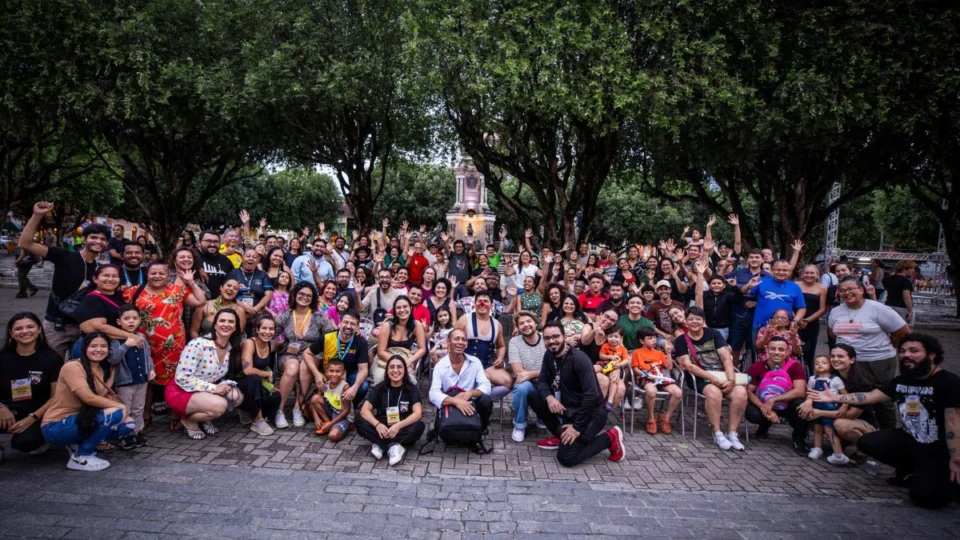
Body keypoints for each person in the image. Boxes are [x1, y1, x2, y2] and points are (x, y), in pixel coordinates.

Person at [810, 334, 960, 509]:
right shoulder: (901, 381)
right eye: (902, 351)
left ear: (932, 355)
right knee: (870, 442)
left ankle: (937, 477)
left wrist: (956, 457)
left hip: (939, 447)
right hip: (910, 439)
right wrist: (836, 397)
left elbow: (954, 424)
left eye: (914, 351)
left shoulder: (949, 382)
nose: (906, 355)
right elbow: (870, 396)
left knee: (928, 498)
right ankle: (912, 469)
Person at [527, 321, 625, 466]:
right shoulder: (549, 355)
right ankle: (562, 436)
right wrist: (549, 398)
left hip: (591, 414)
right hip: (570, 410)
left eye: (556, 337)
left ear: (564, 337)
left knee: (566, 458)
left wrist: (577, 427)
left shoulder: (579, 359)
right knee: (534, 396)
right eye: (547, 338)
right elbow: (542, 381)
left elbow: (591, 396)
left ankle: (610, 437)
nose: (552, 341)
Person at [19, 201, 108, 358]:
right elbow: (25, 243)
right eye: (94, 237)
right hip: (56, 325)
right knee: (49, 367)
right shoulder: (65, 256)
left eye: (102, 239)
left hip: (83, 328)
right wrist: (37, 215)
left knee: (79, 370)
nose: (98, 242)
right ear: (84, 239)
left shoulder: (101, 270)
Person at [40, 332, 136, 471]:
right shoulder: (73, 367)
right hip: (56, 426)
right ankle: (81, 456)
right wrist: (119, 406)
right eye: (94, 346)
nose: (99, 349)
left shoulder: (99, 367)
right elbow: (88, 398)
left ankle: (79, 444)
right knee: (114, 413)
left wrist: (110, 380)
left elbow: (97, 395)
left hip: (80, 418)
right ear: (84, 348)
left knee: (129, 424)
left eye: (103, 346)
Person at [828, 276, 911, 430]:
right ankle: (860, 433)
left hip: (878, 361)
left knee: (881, 399)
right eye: (842, 290)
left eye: (851, 289)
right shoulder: (836, 311)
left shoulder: (878, 309)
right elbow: (832, 333)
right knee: (852, 395)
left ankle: (887, 435)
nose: (847, 293)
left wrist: (893, 345)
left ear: (861, 290)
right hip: (849, 363)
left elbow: (903, 332)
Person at [674, 306, 748, 451]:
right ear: (686, 321)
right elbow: (688, 365)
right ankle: (717, 432)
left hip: (723, 374)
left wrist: (731, 380)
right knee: (714, 392)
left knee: (741, 393)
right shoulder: (681, 340)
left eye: (698, 319)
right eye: (691, 319)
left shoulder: (714, 334)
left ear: (703, 321)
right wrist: (711, 378)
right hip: (699, 377)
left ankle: (732, 432)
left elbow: (726, 358)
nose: (694, 322)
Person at [166, 309, 244, 440]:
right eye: (222, 320)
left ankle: (206, 417)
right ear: (215, 325)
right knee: (220, 406)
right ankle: (188, 421)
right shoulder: (198, 344)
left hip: (203, 390)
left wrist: (222, 386)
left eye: (231, 321)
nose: (226, 324)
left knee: (236, 396)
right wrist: (214, 389)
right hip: (181, 391)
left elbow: (216, 376)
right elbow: (182, 378)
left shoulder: (230, 348)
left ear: (235, 327)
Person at [274, 282, 337, 429]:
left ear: (313, 298)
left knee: (305, 365)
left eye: (309, 295)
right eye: (301, 294)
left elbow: (332, 335)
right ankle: (279, 410)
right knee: (292, 367)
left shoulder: (319, 316)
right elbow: (271, 332)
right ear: (295, 295)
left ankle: (297, 407)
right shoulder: (286, 314)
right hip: (289, 353)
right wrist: (273, 344)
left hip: (312, 354)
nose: (304, 297)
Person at [0, 313, 61, 457]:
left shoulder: (51, 359)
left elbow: (56, 397)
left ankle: (42, 437)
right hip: (5, 410)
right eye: (18, 328)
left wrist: (31, 418)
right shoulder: (2, 357)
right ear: (11, 333)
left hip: (35, 413)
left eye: (30, 327)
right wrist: (1, 407)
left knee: (24, 442)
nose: (24, 331)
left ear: (39, 329)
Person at [744, 337, 809, 455]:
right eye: (773, 349)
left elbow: (800, 391)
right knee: (751, 412)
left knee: (800, 404)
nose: (777, 352)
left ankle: (799, 437)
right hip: (765, 404)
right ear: (767, 350)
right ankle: (764, 425)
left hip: (788, 405)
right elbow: (749, 391)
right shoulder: (756, 367)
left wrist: (773, 400)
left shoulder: (795, 366)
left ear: (787, 352)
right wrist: (764, 407)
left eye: (781, 349)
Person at [356, 355, 425, 465]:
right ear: (387, 371)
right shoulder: (379, 388)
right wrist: (377, 424)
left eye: (399, 367)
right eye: (392, 367)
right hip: (382, 425)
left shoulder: (411, 389)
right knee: (359, 419)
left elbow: (418, 413)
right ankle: (393, 446)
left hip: (402, 426)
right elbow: (364, 410)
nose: (395, 370)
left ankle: (380, 444)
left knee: (419, 426)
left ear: (405, 370)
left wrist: (398, 426)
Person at [107, 305, 155, 450]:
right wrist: (126, 345)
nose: (131, 322)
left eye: (135, 318)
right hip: (125, 382)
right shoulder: (116, 341)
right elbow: (113, 359)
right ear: (118, 321)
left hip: (141, 380)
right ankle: (124, 435)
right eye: (126, 319)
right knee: (125, 408)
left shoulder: (141, 337)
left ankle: (137, 431)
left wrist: (151, 369)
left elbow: (147, 355)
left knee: (138, 408)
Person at [429, 328, 493, 432]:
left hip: (470, 403)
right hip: (450, 404)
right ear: (448, 342)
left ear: (467, 344)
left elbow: (486, 386)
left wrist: (469, 393)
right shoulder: (440, 366)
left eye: (464, 339)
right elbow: (433, 393)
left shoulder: (475, 362)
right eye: (456, 339)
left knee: (486, 401)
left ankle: (480, 430)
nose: (460, 342)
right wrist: (455, 401)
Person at [304, 310, 370, 411]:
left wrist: (355, 387)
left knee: (364, 386)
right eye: (346, 322)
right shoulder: (328, 337)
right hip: (330, 373)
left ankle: (350, 408)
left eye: (352, 324)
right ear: (339, 323)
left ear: (357, 327)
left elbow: (363, 369)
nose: (348, 326)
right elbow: (307, 353)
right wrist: (317, 374)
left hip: (350, 374)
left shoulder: (360, 341)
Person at [455, 291, 511, 391]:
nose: (482, 304)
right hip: (465, 364)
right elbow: (452, 341)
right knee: (484, 377)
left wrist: (500, 358)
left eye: (486, 301)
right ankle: (476, 397)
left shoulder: (497, 324)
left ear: (491, 305)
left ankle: (480, 398)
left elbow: (501, 346)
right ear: (475, 304)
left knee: (508, 381)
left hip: (486, 365)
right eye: (480, 301)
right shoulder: (464, 319)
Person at [236, 315, 282, 436]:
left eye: (271, 329)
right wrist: (267, 374)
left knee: (275, 396)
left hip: (259, 382)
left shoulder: (271, 345)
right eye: (264, 328)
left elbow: (281, 344)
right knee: (254, 379)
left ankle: (249, 411)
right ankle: (257, 420)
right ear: (257, 330)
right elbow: (247, 370)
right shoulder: (249, 343)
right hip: (241, 382)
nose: (267, 332)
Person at [631, 327, 681, 435]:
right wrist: (647, 375)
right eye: (649, 338)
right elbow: (635, 369)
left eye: (654, 338)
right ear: (641, 341)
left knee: (678, 392)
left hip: (660, 378)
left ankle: (666, 418)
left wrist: (668, 354)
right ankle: (651, 418)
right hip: (645, 377)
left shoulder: (659, 353)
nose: (653, 340)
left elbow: (669, 367)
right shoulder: (637, 352)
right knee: (651, 391)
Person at [745, 259, 806, 346]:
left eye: (785, 270)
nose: (781, 272)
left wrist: (795, 321)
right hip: (760, 325)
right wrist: (747, 286)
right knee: (758, 350)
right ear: (773, 270)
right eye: (778, 269)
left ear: (789, 272)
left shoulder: (795, 287)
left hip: (785, 327)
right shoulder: (762, 281)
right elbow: (745, 292)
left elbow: (802, 308)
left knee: (784, 352)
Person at [725, 248, 770, 365]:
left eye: (757, 257)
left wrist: (757, 303)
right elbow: (721, 281)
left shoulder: (768, 277)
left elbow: (771, 297)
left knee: (756, 347)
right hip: (737, 314)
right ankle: (734, 374)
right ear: (748, 260)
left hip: (757, 315)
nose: (754, 260)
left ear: (762, 260)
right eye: (751, 257)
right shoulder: (738, 273)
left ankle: (754, 374)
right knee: (735, 346)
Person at [802, 355, 849, 464]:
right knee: (817, 428)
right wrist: (808, 402)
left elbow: (845, 395)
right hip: (816, 406)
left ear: (831, 366)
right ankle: (817, 448)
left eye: (824, 362)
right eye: (817, 363)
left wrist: (844, 406)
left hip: (830, 408)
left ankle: (838, 454)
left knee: (829, 430)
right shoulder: (813, 379)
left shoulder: (835, 380)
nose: (820, 365)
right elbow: (810, 393)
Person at [508, 311, 546, 443]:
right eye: (521, 323)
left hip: (545, 381)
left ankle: (543, 417)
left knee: (554, 384)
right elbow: (518, 373)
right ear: (518, 328)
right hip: (526, 383)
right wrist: (540, 373)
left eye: (529, 321)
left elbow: (553, 370)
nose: (526, 325)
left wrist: (531, 374)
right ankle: (520, 425)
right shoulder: (514, 342)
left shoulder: (546, 338)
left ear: (535, 323)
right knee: (521, 388)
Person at [307, 359, 353, 440]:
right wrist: (316, 418)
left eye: (338, 371)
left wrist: (331, 424)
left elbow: (347, 411)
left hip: (343, 416)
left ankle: (335, 426)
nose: (334, 374)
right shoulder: (325, 384)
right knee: (315, 398)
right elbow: (313, 401)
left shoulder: (345, 387)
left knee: (333, 436)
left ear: (343, 373)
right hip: (332, 412)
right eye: (331, 371)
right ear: (326, 372)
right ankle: (329, 423)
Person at [795, 264, 828, 374]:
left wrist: (807, 320)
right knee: (792, 348)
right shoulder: (795, 285)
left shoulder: (822, 288)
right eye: (806, 272)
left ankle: (809, 375)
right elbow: (789, 304)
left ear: (817, 275)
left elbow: (822, 309)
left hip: (812, 323)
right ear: (802, 274)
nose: (809, 275)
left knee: (810, 351)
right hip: (794, 321)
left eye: (812, 273)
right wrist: (797, 319)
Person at [227, 250, 274, 319]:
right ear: (242, 258)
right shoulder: (233, 273)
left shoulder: (263, 275)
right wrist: (245, 307)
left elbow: (269, 295)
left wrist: (255, 309)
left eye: (254, 257)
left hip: (258, 312)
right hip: (236, 310)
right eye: (248, 256)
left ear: (258, 261)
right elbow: (227, 293)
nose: (251, 259)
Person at [597, 325, 629, 411]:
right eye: (610, 336)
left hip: (614, 368)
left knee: (614, 380)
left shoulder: (622, 349)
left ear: (621, 338)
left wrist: (619, 365)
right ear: (607, 337)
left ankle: (610, 401)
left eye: (616, 337)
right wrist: (610, 357)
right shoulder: (605, 346)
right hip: (605, 367)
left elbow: (626, 360)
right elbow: (601, 356)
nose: (613, 339)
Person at [197, 230, 235, 296]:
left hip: (218, 303)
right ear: (199, 242)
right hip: (196, 302)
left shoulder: (225, 260)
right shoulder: (191, 257)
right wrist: (197, 267)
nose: (212, 244)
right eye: (208, 241)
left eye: (216, 242)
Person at [885, 260, 916, 324]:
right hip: (902, 308)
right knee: (903, 330)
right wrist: (910, 311)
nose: (913, 270)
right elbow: (906, 296)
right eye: (912, 268)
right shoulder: (905, 281)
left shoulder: (889, 279)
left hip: (888, 306)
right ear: (905, 269)